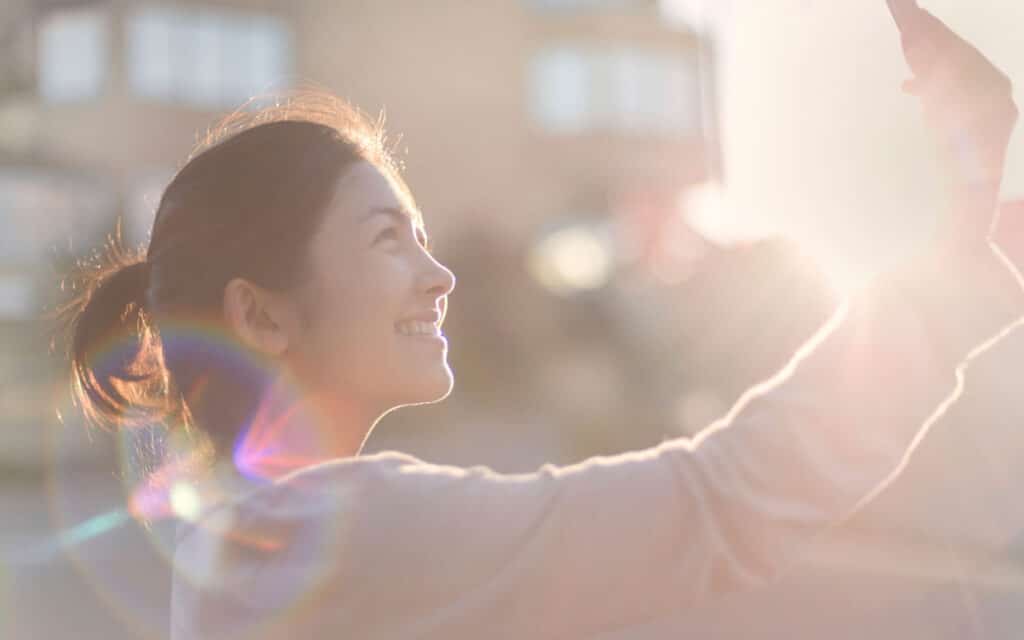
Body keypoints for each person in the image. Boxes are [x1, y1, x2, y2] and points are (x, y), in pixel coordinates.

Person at [61, 5, 1022, 639]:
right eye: (389, 239)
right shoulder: (349, 529)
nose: (440, 276)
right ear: (261, 315)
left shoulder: (225, 541)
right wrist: (956, 239)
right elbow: (721, 504)